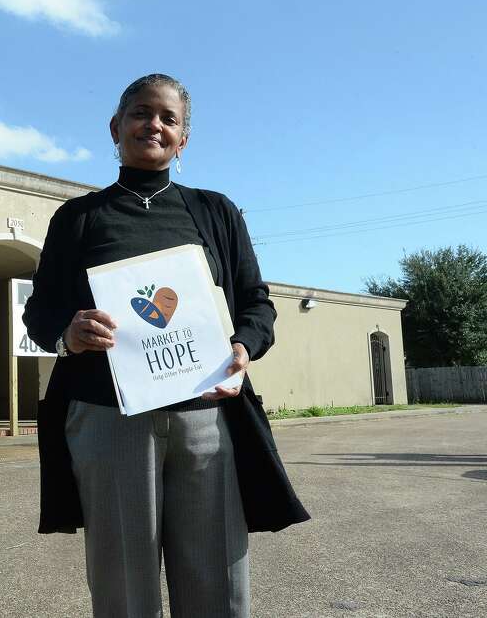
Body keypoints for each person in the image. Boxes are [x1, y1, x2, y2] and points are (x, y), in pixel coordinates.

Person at [23, 74, 310, 618]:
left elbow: (257, 303)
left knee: (217, 576)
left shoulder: (216, 212)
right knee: (123, 582)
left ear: (183, 140)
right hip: (110, 422)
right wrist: (68, 332)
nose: (153, 124)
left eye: (168, 118)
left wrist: (245, 346)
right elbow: (39, 312)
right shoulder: (78, 219)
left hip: (205, 419)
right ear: (116, 126)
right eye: (140, 112)